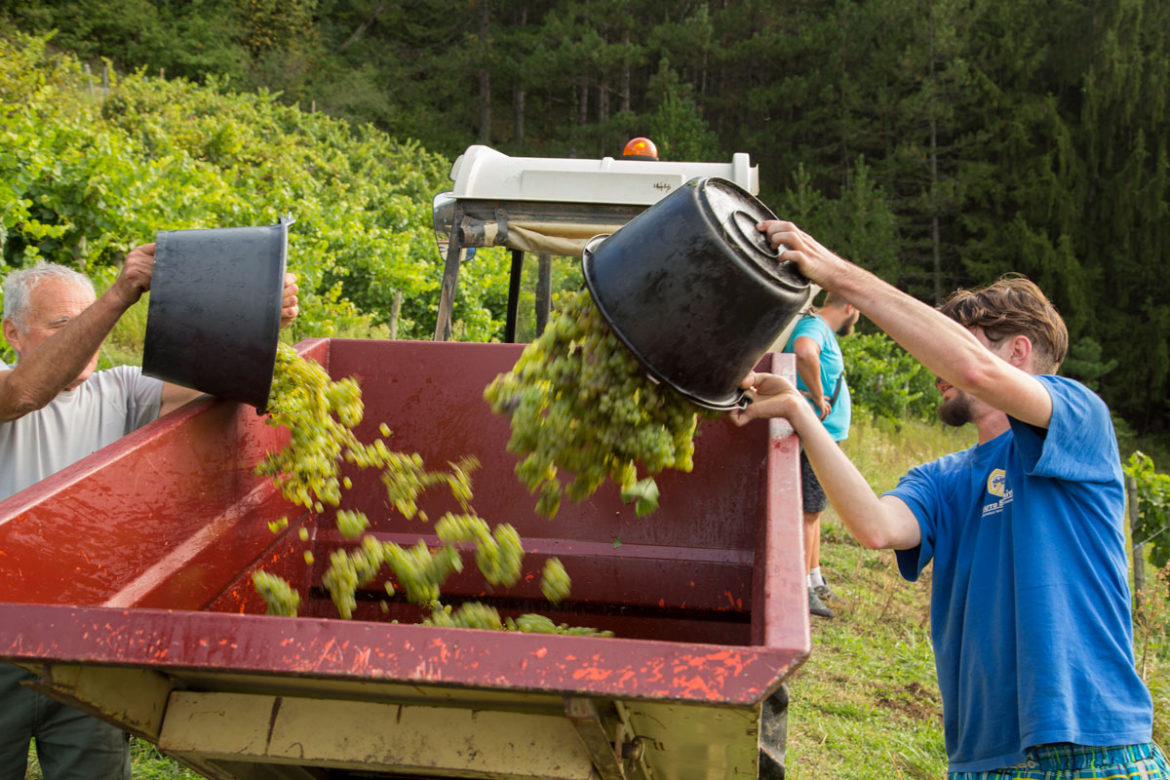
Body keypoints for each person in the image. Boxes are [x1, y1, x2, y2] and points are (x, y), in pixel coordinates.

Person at [732, 220, 1165, 778]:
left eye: (955, 339)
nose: (932, 366)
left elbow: (972, 368)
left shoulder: (1079, 419)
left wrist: (834, 273)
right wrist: (798, 411)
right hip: (983, 758)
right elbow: (876, 527)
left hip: (1095, 746)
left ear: (1019, 351)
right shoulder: (944, 476)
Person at [0, 244, 299, 779]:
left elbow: (222, 378)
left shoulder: (121, 389)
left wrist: (257, 317)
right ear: (12, 334)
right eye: (62, 323)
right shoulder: (5, 384)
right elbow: (25, 392)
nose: (84, 335)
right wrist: (118, 294)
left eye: (88, 319)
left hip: (84, 638)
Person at [782, 292, 859, 619]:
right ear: (850, 307)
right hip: (817, 434)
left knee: (814, 511)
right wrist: (817, 395)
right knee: (807, 512)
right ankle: (802, 589)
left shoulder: (819, 328)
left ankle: (815, 579)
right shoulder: (814, 325)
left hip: (826, 435)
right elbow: (803, 351)